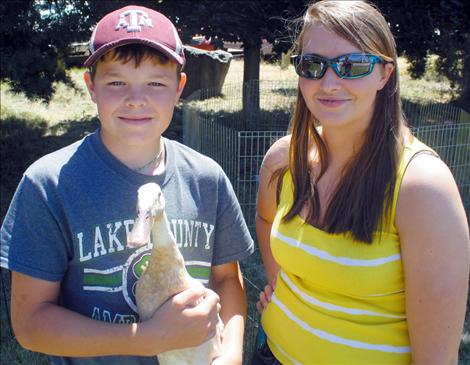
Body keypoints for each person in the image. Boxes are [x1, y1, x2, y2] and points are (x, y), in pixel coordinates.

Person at [0, 5, 253, 365]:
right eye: (117, 82)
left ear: (180, 87)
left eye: (156, 83)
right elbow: (30, 323)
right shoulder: (48, 185)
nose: (136, 99)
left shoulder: (206, 178)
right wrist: (148, 339)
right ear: (91, 86)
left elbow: (228, 280)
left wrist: (230, 354)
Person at [254, 1, 469, 364]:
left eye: (352, 65)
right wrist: (282, 283)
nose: (329, 82)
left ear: (385, 74)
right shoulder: (284, 159)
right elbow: (264, 219)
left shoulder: (422, 189)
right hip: (270, 354)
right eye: (313, 65)